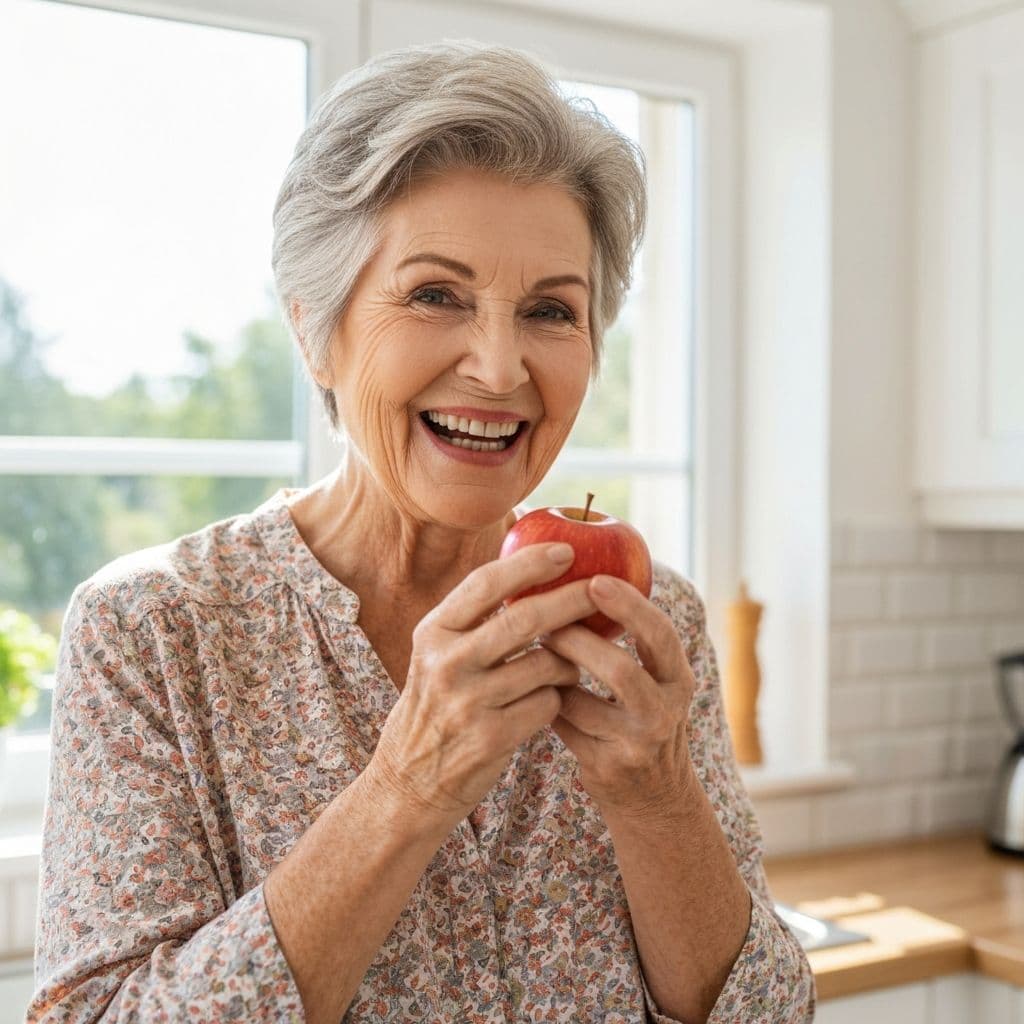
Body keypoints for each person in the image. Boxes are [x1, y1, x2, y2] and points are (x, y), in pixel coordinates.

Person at [29, 41, 815, 1024]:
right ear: (315, 325)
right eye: (436, 294)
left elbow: (770, 1012)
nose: (497, 367)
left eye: (549, 310)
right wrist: (404, 790)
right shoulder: (154, 633)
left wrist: (656, 793)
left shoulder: (647, 621)